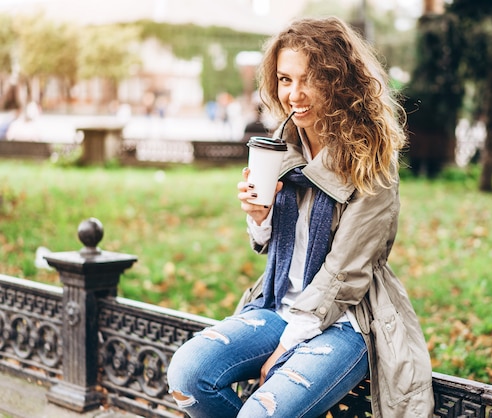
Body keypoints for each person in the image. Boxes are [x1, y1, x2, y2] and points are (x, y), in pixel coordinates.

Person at [167, 16, 434, 418]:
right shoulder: (282, 146)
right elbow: (271, 245)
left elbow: (346, 273)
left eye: (311, 79)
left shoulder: (371, 160)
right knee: (188, 376)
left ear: (341, 82)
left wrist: (286, 347)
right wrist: (259, 217)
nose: (295, 94)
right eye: (285, 79)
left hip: (347, 320)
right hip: (276, 306)